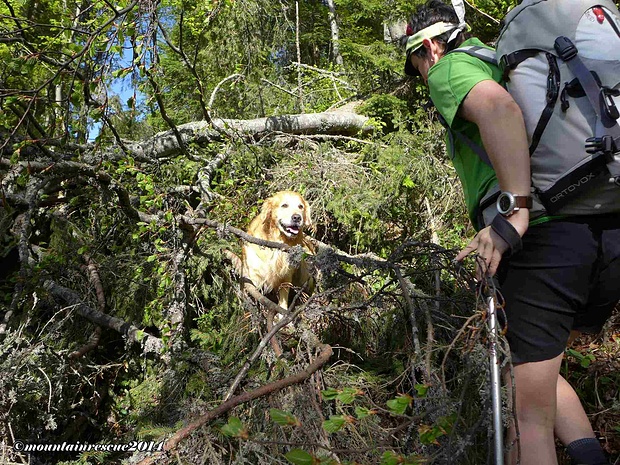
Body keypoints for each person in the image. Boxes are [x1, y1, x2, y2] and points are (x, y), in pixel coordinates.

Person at [404, 1, 620, 464]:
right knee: (535, 367)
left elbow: (499, 110)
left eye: (415, 65)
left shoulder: (450, 68)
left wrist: (513, 212)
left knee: (527, 418)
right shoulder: (504, 59)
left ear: (429, 46)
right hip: (602, 228)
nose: (420, 77)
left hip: (544, 239)